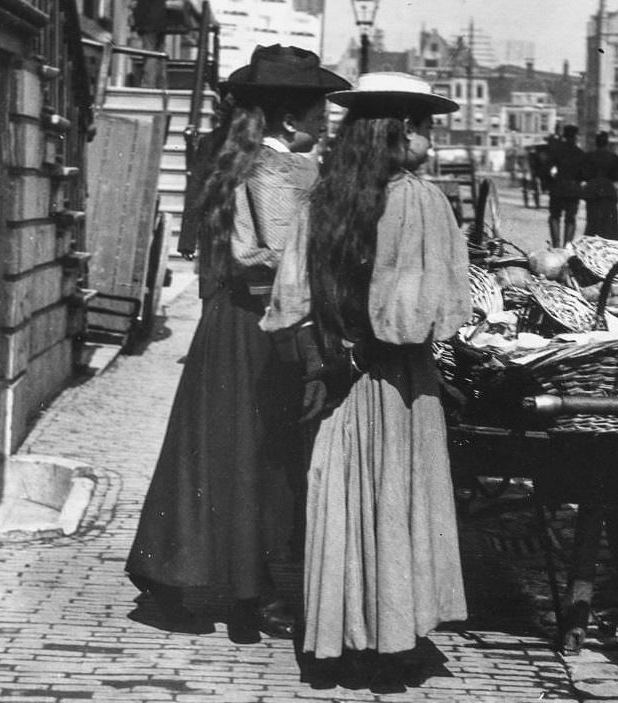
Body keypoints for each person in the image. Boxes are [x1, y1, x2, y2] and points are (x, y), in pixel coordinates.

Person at [125, 45, 351, 644]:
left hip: (245, 320)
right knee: (249, 455)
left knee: (229, 451)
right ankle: (248, 591)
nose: (326, 118)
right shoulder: (271, 171)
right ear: (287, 119)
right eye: (317, 108)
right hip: (259, 324)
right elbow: (279, 258)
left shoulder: (263, 161)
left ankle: (195, 578)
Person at [294, 72, 470, 680]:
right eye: (423, 128)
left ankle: (342, 630)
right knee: (396, 497)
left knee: (345, 495)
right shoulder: (419, 199)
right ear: (397, 131)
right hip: (396, 379)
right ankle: (390, 632)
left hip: (341, 372)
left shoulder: (325, 194)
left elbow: (297, 292)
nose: (429, 141)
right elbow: (428, 314)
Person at [546, 124, 587, 247]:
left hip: (557, 188)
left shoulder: (556, 152)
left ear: (564, 137)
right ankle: (567, 247)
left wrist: (552, 182)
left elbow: (547, 170)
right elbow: (584, 174)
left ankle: (556, 245)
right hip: (573, 190)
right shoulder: (580, 153)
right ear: (575, 137)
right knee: (570, 219)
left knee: (554, 217)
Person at [582, 130, 618, 239]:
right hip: (608, 191)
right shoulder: (614, 157)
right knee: (609, 223)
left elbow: (583, 174)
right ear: (607, 143)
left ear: (596, 143)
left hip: (592, 191)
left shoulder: (588, 156)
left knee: (592, 222)